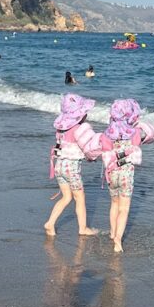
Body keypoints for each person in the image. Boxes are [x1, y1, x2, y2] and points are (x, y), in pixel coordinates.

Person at [99, 99, 154, 253]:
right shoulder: (135, 133)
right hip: (126, 175)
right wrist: (137, 124)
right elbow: (150, 136)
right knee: (124, 208)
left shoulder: (107, 134)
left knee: (114, 204)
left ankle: (113, 233)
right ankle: (118, 240)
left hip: (112, 174)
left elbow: (105, 152)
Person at [45, 94, 102, 237]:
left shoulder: (61, 129)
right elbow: (87, 147)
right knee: (80, 197)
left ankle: (50, 223)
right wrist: (93, 156)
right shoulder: (79, 129)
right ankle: (83, 228)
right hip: (71, 169)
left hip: (60, 166)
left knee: (66, 197)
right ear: (79, 115)